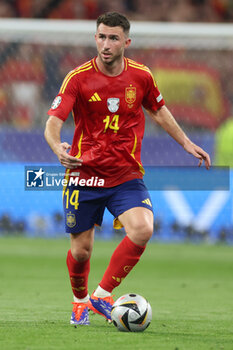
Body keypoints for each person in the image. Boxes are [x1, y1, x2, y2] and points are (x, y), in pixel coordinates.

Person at [44, 12, 211, 326]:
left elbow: (158, 110)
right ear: (96, 38)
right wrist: (57, 147)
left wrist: (185, 142)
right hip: (85, 174)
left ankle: (103, 294)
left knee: (143, 228)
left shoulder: (141, 76)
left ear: (126, 42)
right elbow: (53, 122)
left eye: (113, 38)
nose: (106, 44)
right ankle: (80, 302)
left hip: (125, 173)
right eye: (102, 37)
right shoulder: (78, 78)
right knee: (81, 251)